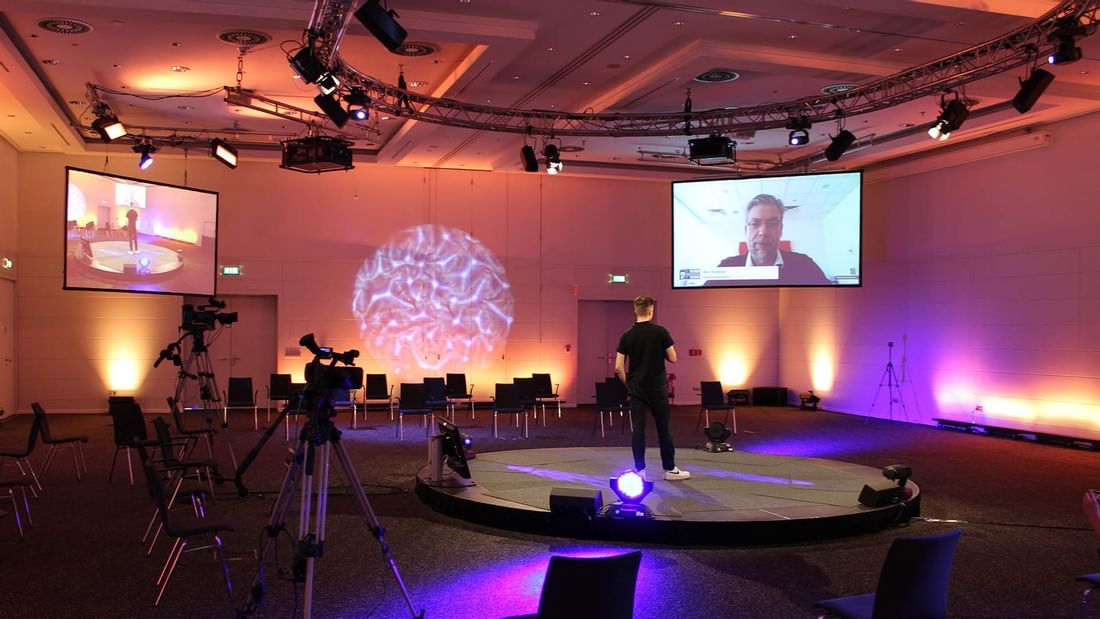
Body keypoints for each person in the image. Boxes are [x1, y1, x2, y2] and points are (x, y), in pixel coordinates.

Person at [614, 295, 690, 481]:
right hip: (657, 388)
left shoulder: (627, 335)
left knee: (638, 430)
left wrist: (629, 383)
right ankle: (670, 469)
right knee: (664, 428)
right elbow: (673, 358)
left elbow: (618, 367)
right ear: (651, 310)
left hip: (637, 389)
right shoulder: (661, 332)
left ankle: (640, 470)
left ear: (635, 311)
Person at [710, 193, 830, 286]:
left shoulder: (805, 265)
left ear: (781, 229)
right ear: (746, 231)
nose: (763, 232)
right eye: (755, 223)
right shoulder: (726, 268)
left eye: (772, 223)